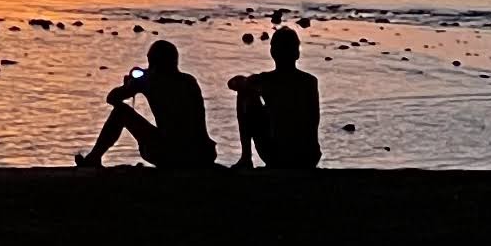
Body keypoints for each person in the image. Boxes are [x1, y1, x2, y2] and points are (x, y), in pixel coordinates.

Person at [76, 38, 215, 169]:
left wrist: (130, 85)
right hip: (203, 154)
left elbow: (112, 98)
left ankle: (94, 157)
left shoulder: (150, 81)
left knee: (121, 112)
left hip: (172, 154)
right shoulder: (189, 81)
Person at [232, 23, 320, 169]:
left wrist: (247, 82)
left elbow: (233, 83)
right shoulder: (309, 81)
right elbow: (313, 123)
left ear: (273, 52)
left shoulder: (265, 80)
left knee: (245, 94)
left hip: (277, 155)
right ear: (297, 53)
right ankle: (246, 158)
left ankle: (246, 157)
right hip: (308, 156)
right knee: (248, 91)